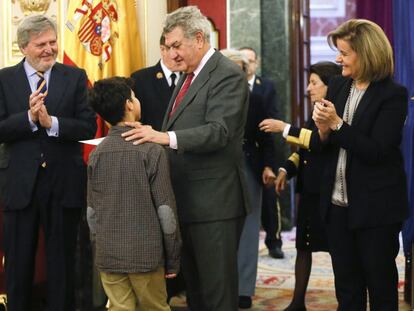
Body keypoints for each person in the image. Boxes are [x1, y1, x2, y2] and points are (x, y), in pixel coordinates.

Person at [121, 6, 250, 311]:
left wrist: (164, 137)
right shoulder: (189, 75)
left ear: (199, 38)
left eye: (176, 46)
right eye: (166, 47)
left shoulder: (227, 74)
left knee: (218, 295)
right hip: (188, 202)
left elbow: (219, 132)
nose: (171, 55)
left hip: (215, 203)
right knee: (197, 294)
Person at [0, 14, 97, 311]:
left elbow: (87, 126)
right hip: (20, 185)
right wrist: (29, 119)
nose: (49, 49)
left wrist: (51, 121)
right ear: (24, 47)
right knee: (18, 265)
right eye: (41, 44)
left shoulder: (75, 76)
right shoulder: (4, 79)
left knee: (63, 265)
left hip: (64, 183)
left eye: (53, 42)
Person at [311, 19, 408, 310]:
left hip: (376, 209)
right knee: (347, 290)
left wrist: (337, 125)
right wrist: (323, 130)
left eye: (344, 52)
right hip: (337, 206)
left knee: (380, 289)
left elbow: (377, 150)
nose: (337, 59)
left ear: (366, 54)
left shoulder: (393, 95)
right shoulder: (339, 85)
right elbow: (323, 146)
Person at [87, 77, 181, 311]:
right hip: (146, 255)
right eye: (134, 97)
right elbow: (165, 212)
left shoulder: (96, 154)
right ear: (129, 104)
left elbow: (92, 213)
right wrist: (173, 257)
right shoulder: (151, 150)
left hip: (108, 253)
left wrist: (102, 248)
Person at [260, 61, 342, 311]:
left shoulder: (334, 113)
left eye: (314, 83)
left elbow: (317, 142)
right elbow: (304, 150)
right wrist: (286, 168)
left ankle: (345, 303)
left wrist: (283, 128)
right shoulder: (315, 111)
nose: (308, 88)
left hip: (330, 192)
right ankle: (297, 302)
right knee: (303, 246)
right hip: (309, 191)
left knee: (338, 252)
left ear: (330, 86)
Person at [221, 49, 277, 309]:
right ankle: (219, 285)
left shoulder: (256, 100)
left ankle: (243, 288)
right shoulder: (209, 98)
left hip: (248, 164)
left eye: (238, 70)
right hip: (216, 167)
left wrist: (268, 165)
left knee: (249, 226)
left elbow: (266, 137)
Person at [240, 46, 284, 259]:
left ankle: (274, 241)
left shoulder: (265, 87)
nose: (247, 65)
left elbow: (273, 118)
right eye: (243, 61)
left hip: (261, 150)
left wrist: (269, 161)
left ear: (256, 63)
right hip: (241, 156)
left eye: (250, 61)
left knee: (268, 197)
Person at [131, 35, 181, 131]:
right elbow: (135, 119)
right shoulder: (140, 79)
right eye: (176, 49)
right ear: (163, 50)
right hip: (152, 143)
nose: (180, 55)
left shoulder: (190, 78)